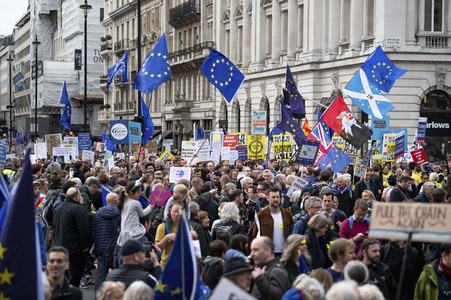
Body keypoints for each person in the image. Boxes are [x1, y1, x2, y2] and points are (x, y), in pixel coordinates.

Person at [53, 187, 90, 287]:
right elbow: (83, 229)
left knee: (63, 279)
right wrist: (85, 245)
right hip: (75, 250)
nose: (82, 197)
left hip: (60, 248)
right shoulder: (78, 208)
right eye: (80, 195)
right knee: (74, 278)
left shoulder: (59, 208)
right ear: (77, 197)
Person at [91, 192, 121, 292]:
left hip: (101, 248)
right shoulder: (119, 214)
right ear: (117, 201)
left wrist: (93, 249)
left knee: (101, 276)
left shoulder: (98, 214)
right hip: (115, 248)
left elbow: (93, 231)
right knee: (116, 277)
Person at [252, 187, 293, 256]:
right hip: (267, 253)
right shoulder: (261, 215)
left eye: (277, 197)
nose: (276, 199)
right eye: (273, 197)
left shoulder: (287, 214)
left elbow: (292, 231)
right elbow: (255, 234)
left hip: (284, 252)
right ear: (267, 198)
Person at [116, 181, 153, 247]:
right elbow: (142, 214)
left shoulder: (124, 201)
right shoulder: (135, 203)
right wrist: (150, 207)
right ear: (131, 193)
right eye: (138, 192)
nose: (140, 194)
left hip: (124, 231)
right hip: (134, 232)